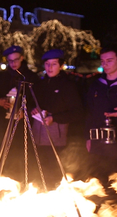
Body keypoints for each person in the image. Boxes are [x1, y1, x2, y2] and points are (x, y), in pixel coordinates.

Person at [30, 49, 84, 190]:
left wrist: (54, 118)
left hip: (58, 140)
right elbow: (33, 104)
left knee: (55, 174)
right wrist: (34, 109)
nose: (50, 67)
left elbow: (77, 112)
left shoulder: (68, 86)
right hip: (38, 137)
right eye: (47, 64)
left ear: (61, 65)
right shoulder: (40, 85)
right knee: (39, 173)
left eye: (54, 64)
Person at [85, 46, 117, 184]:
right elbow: (89, 113)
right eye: (102, 61)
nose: (105, 64)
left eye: (109, 60)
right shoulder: (96, 85)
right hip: (99, 145)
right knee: (99, 183)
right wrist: (88, 137)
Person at [0, 45, 40, 183]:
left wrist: (27, 111)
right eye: (10, 60)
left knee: (23, 154)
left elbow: (37, 99)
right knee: (5, 153)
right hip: (5, 123)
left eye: (16, 60)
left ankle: (25, 181)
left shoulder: (30, 77)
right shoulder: (3, 77)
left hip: (24, 125)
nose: (13, 63)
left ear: (22, 58)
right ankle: (6, 181)